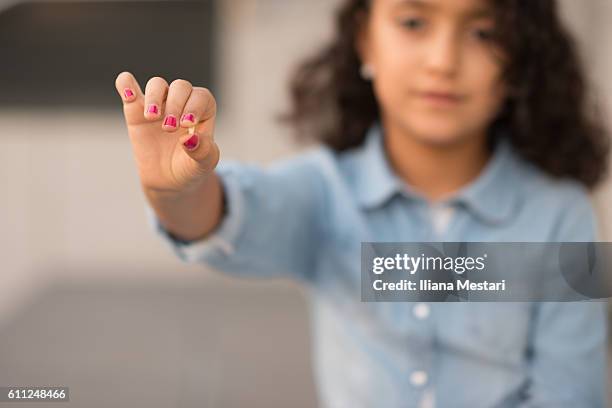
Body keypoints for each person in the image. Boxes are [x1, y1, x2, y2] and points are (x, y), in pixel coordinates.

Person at [114, 0, 610, 406]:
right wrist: (175, 191)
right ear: (364, 38)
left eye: (484, 32)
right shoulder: (325, 191)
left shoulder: (563, 214)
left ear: (521, 60)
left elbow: (574, 392)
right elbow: (231, 216)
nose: (443, 60)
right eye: (414, 22)